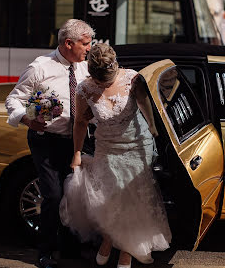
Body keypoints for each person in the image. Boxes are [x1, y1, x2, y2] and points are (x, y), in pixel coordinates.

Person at [59, 43, 171, 268]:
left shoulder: (132, 79)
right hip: (107, 147)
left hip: (136, 145)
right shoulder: (84, 89)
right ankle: (110, 237)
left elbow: (143, 102)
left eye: (107, 82)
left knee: (130, 198)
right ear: (92, 75)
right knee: (109, 198)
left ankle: (125, 251)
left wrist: (152, 125)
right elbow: (81, 122)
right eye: (99, 82)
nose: (103, 85)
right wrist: (77, 153)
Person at [5, 19, 95, 268]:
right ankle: (44, 252)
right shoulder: (40, 67)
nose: (89, 48)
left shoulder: (83, 68)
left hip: (75, 143)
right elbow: (14, 99)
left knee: (72, 196)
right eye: (85, 44)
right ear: (69, 43)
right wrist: (26, 119)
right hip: (45, 141)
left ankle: (69, 249)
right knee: (53, 196)